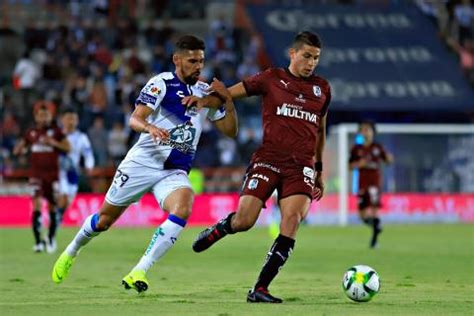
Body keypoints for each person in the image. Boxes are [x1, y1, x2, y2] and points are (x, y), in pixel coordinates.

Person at [51, 35, 238, 293]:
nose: (198, 66)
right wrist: (149, 127)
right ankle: (71, 251)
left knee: (183, 206)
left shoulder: (205, 92)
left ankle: (140, 270)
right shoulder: (161, 83)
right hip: (142, 162)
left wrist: (227, 99)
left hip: (173, 169)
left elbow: (230, 131)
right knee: (104, 221)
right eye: (192, 61)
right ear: (177, 60)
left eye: (201, 61)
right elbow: (135, 119)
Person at [183, 31, 330, 303]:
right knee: (244, 221)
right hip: (269, 159)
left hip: (302, 166)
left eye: (316, 58)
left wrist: (318, 169)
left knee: (292, 220)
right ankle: (220, 229)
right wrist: (205, 101)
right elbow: (229, 94)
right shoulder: (271, 78)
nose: (312, 63)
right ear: (293, 54)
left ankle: (260, 288)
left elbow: (320, 129)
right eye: (307, 56)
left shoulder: (322, 89)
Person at [13, 101, 70, 253]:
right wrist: (20, 149)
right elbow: (19, 149)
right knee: (36, 205)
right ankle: (38, 242)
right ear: (36, 117)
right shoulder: (31, 133)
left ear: (50, 116)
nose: (44, 118)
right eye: (41, 115)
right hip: (36, 175)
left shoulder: (56, 132)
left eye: (47, 115)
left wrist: (53, 142)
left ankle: (51, 238)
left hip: (52, 176)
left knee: (53, 207)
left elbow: (67, 147)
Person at [349, 121, 393, 248]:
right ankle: (377, 225)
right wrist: (359, 164)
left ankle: (374, 241)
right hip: (362, 184)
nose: (366, 132)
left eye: (368, 130)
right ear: (360, 132)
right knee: (362, 215)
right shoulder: (356, 149)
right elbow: (350, 166)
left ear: (373, 132)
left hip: (374, 183)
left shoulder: (378, 148)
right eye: (363, 130)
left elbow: (388, 161)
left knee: (374, 210)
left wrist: (390, 158)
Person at [57, 108, 95, 226]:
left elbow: (88, 154)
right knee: (63, 194)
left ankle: (57, 217)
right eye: (68, 119)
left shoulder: (81, 137)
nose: (71, 122)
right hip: (58, 172)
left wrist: (89, 166)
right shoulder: (56, 135)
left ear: (77, 121)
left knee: (68, 199)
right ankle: (56, 220)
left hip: (73, 172)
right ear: (62, 120)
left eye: (73, 119)